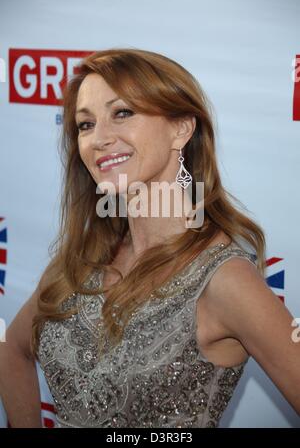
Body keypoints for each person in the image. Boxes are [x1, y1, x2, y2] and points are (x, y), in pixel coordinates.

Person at [0, 48, 299, 428]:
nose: (99, 139)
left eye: (122, 113)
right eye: (85, 124)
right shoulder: (83, 257)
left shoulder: (225, 279)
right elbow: (11, 348)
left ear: (181, 129)